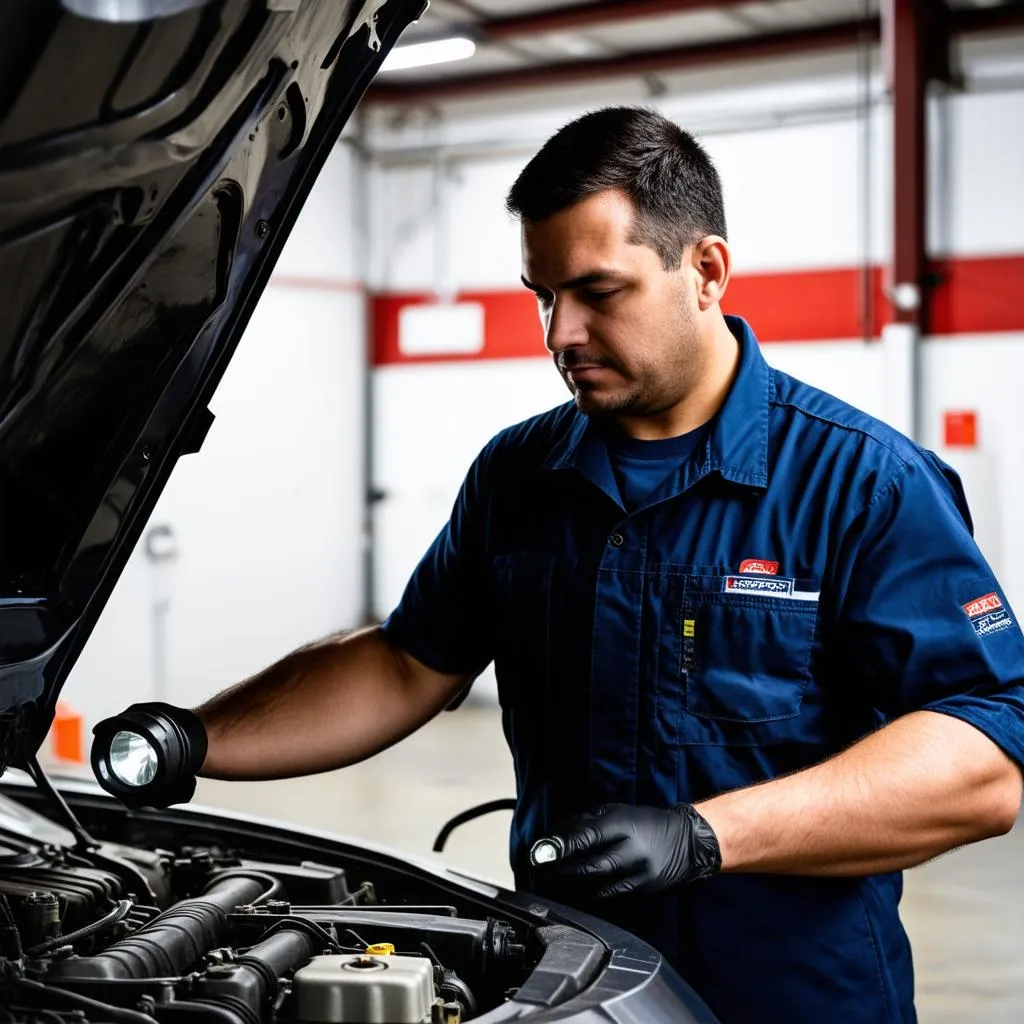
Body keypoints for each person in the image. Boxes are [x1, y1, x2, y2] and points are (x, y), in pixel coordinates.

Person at [184, 108, 1024, 1023]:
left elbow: (983, 757)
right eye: (542, 295)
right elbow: (403, 665)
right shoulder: (520, 475)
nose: (559, 333)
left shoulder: (862, 482)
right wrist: (191, 741)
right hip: (566, 992)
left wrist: (708, 836)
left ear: (705, 271)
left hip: (790, 998)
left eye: (598, 291)